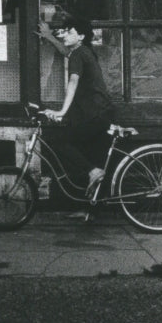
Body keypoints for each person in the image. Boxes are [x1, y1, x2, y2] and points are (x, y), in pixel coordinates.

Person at [39, 16, 115, 216]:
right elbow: (66, 52)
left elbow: (73, 81)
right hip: (100, 113)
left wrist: (62, 112)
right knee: (89, 156)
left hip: (94, 114)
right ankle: (90, 209)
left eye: (69, 31)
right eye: (64, 31)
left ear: (80, 36)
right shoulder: (84, 51)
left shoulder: (79, 54)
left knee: (61, 142)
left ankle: (94, 174)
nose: (64, 34)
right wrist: (49, 36)